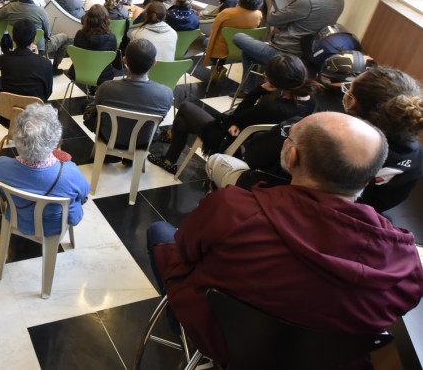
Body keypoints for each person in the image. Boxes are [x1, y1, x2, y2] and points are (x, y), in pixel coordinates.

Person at [148, 112, 423, 369]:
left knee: (160, 231)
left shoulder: (233, 207)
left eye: (289, 136)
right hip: (322, 361)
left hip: (223, 341)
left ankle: (180, 325)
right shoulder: (402, 257)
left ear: (292, 156)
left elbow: (186, 248)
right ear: (372, 176)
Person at [148, 54, 317, 174]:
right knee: (182, 123)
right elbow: (246, 118)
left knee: (185, 107)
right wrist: (241, 123)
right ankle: (169, 156)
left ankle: (169, 157)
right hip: (250, 137)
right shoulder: (309, 101)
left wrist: (257, 91)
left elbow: (238, 115)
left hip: (231, 141)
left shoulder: (275, 107)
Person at [233, 0, 346, 92]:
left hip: (283, 53)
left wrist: (286, 22)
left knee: (238, 37)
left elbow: (272, 19)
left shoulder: (310, 1)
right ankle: (248, 90)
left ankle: (249, 91)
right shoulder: (339, 0)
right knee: (248, 52)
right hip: (306, 55)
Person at [0, 103, 90, 235]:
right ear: (55, 138)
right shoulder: (70, 173)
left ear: (16, 136)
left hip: (15, 218)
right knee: (76, 197)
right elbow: (84, 193)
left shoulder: (0, 166)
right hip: (53, 229)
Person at [343, 67, 423, 212]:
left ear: (353, 103)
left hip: (342, 208)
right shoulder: (418, 152)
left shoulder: (350, 146)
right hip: (375, 210)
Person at [84, 39, 173, 151]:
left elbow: (96, 109)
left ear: (125, 60)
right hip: (143, 142)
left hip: (108, 137)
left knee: (91, 108)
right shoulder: (166, 93)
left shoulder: (106, 87)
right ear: (154, 62)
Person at [0, 0, 70, 69]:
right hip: (37, 48)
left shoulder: (9, 7)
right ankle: (54, 67)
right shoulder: (41, 11)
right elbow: (48, 34)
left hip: (16, 45)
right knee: (65, 37)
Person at [0, 19, 53, 127]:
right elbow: (47, 92)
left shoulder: (4, 59)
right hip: (35, 116)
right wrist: (37, 57)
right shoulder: (46, 63)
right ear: (34, 39)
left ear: (13, 37)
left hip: (7, 114)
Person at [203, 0, 264, 77]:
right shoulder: (259, 15)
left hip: (221, 50)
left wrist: (208, 59)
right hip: (243, 50)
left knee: (207, 41)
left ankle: (217, 66)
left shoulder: (227, 13)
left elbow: (214, 33)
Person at [66, 5, 119, 90]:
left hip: (79, 73)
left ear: (87, 19)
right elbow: (112, 60)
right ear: (106, 20)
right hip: (103, 75)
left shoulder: (79, 34)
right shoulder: (112, 38)